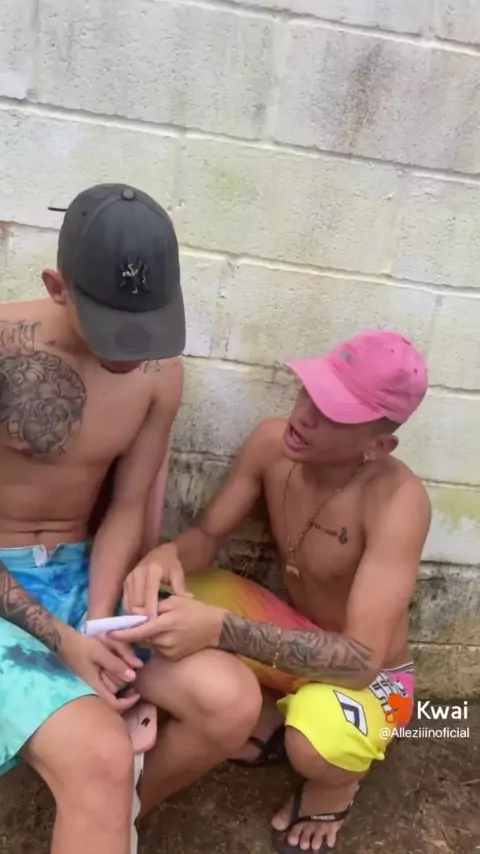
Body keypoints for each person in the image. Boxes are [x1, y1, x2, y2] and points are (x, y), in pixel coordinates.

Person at [0, 183, 260, 854]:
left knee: (231, 700)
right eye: (112, 329)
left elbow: (124, 505)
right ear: (57, 288)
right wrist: (62, 641)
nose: (130, 351)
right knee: (102, 756)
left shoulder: (158, 374)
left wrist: (99, 623)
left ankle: (112, 816)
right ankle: (101, 798)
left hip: (83, 571)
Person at [116, 330, 431, 854]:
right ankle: (266, 725)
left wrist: (222, 630)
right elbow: (207, 537)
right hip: (294, 632)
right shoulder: (271, 442)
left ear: (377, 446)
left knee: (315, 746)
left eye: (333, 414)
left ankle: (337, 786)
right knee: (168, 594)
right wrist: (164, 557)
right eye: (309, 392)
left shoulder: (398, 502)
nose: (304, 416)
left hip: (372, 677)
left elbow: (360, 662)